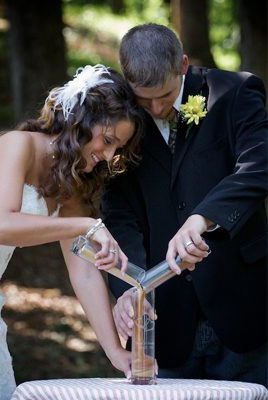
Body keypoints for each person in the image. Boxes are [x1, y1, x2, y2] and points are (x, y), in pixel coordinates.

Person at [103, 23, 267, 386]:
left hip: (242, 306)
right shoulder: (118, 114)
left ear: (184, 65)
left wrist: (203, 218)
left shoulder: (235, 92)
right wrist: (129, 283)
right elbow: (118, 212)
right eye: (143, 100)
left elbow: (259, 167)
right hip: (163, 321)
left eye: (164, 95)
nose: (156, 108)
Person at [0, 64, 145, 399]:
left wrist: (115, 351)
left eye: (116, 148)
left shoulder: (70, 185)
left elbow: (86, 275)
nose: (108, 155)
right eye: (107, 140)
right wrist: (86, 225)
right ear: (81, 121)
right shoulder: (17, 145)